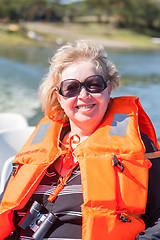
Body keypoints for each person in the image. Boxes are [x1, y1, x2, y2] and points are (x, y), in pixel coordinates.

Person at [0, 39, 160, 240]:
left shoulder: (138, 146)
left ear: (109, 89)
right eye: (71, 88)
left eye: (94, 84)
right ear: (59, 97)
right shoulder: (36, 148)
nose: (84, 95)